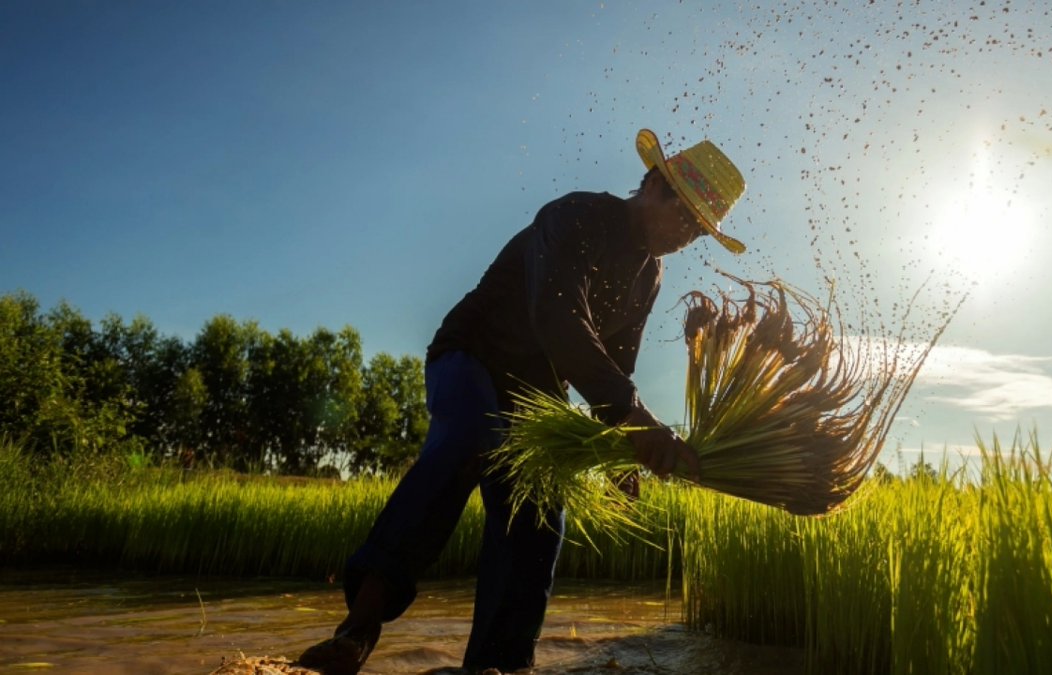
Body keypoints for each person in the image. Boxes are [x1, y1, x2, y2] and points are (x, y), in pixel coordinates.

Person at [296, 128, 746, 674]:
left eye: (699, 230)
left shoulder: (649, 276)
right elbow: (557, 319)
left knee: (538, 517)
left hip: (537, 396)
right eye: (685, 215)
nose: (687, 235)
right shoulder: (576, 215)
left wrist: (617, 447)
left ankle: (498, 666)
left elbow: (617, 362)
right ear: (654, 184)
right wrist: (632, 416)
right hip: (472, 357)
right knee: (468, 439)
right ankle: (358, 630)